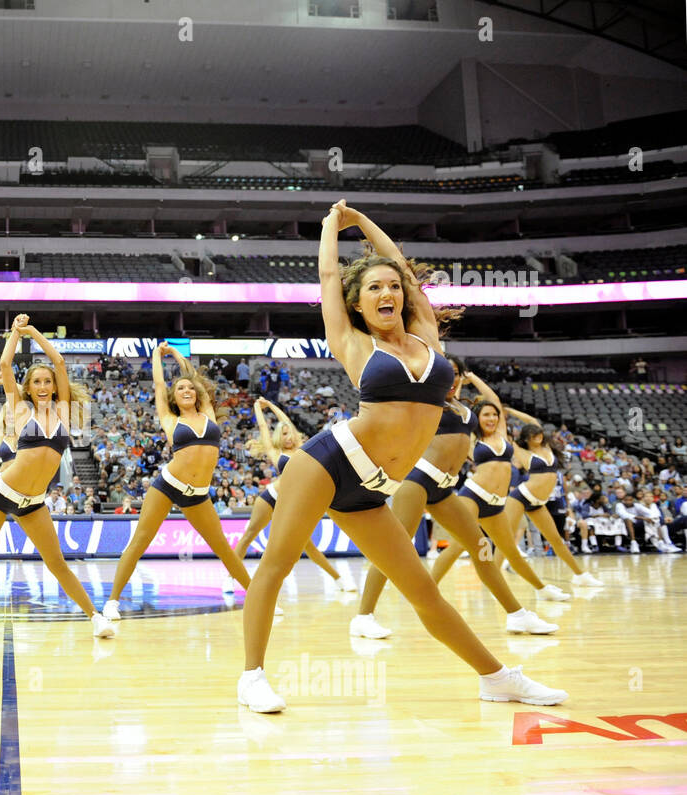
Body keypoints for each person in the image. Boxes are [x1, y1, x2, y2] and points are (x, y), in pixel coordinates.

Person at [237, 200, 565, 712]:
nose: (387, 292)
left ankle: (497, 677)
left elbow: (407, 274)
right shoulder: (352, 342)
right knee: (275, 565)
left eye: (392, 286)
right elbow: (328, 275)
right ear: (358, 304)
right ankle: (252, 677)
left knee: (422, 592)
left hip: (374, 488)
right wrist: (331, 226)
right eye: (374, 288)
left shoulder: (426, 335)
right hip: (329, 461)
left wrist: (365, 224)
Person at [349, 358, 560, 639]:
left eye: (456, 375)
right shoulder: (425, 401)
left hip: (444, 488)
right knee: (396, 548)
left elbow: (492, 404)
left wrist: (474, 383)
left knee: (481, 547)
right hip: (418, 481)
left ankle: (517, 615)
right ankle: (363, 617)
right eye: (445, 375)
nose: (450, 380)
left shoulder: (465, 409)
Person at [0, 315, 112, 639]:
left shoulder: (63, 411)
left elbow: (58, 360)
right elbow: (5, 363)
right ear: (27, 388)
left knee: (57, 562)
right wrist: (16, 334)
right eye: (37, 382)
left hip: (34, 500)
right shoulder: (19, 409)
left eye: (48, 381)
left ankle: (96, 618)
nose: (44, 386)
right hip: (1, 491)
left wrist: (34, 332)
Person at [102, 342, 251, 622]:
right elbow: (160, 384)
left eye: (190, 388)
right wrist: (157, 356)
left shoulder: (207, 412)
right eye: (180, 388)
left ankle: (256, 597)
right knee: (139, 541)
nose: (186, 391)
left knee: (222, 548)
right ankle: (112, 602)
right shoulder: (170, 419)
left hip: (198, 493)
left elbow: (193, 376)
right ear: (175, 396)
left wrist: (177, 355)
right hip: (168, 485)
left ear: (196, 394)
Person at [429, 381, 573, 601]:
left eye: (494, 415)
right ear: (478, 418)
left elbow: (494, 399)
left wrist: (473, 377)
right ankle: (428, 589)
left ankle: (542, 590)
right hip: (474, 495)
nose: (492, 418)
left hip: (496, 502)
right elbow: (455, 405)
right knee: (459, 545)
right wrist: (457, 383)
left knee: (511, 551)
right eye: (486, 415)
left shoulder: (503, 434)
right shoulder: (473, 437)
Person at [231, 397, 352, 597]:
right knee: (248, 536)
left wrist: (271, 405)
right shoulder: (276, 452)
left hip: (292, 506)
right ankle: (229, 578)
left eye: (289, 433)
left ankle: (339, 579)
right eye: (283, 434)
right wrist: (257, 407)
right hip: (271, 498)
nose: (287, 437)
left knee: (310, 548)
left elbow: (287, 421)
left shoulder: (304, 448)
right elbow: (263, 427)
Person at [495, 425, 612, 577]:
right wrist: (499, 407)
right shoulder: (522, 452)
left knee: (556, 539)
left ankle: (581, 576)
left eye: (538, 433)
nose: (538, 436)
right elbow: (505, 436)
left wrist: (513, 412)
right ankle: (494, 575)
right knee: (507, 537)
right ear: (525, 439)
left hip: (538, 501)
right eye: (533, 435)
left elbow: (532, 422)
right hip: (521, 496)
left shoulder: (547, 447)